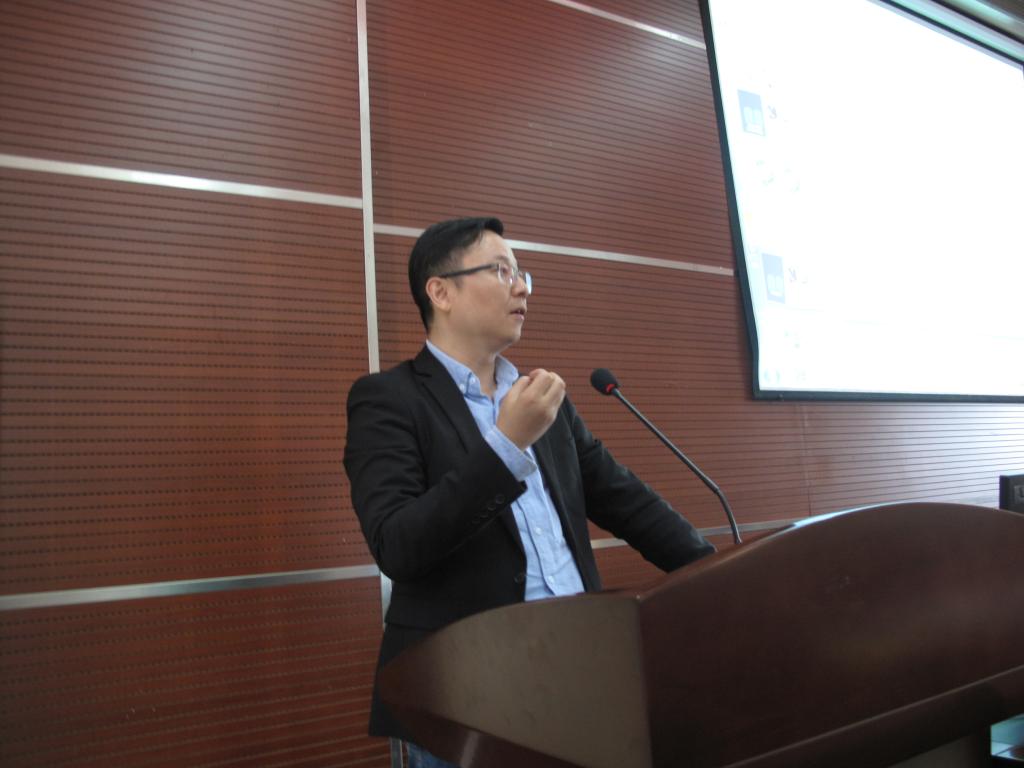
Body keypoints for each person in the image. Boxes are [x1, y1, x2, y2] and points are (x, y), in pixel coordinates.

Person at [344, 217, 714, 767]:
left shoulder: (542, 399)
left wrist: (718, 573)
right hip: (465, 699)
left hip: (581, 675)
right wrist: (505, 446)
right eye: (501, 271)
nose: (521, 288)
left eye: (522, 275)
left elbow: (628, 502)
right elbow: (398, 545)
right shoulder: (389, 400)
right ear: (440, 292)